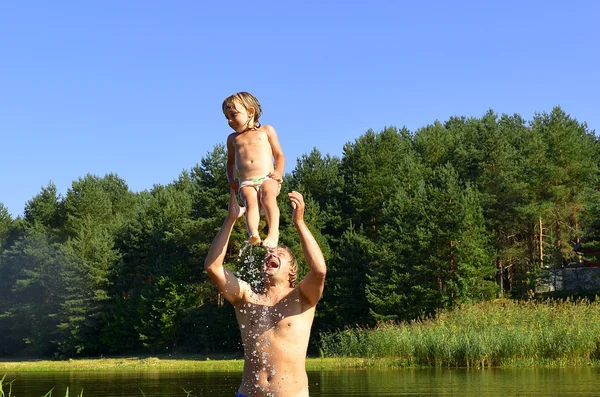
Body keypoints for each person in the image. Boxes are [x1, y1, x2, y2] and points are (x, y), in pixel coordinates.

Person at [205, 189, 326, 397]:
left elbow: (319, 270)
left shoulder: (302, 297)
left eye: (280, 253)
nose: (271, 252)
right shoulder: (246, 296)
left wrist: (300, 222)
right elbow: (213, 267)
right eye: (269, 252)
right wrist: (230, 219)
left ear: (292, 270)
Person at [223, 92, 285, 249]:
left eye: (233, 115)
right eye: (227, 117)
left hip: (267, 177)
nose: (230, 121)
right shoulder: (233, 139)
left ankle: (273, 232)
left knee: (267, 197)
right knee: (250, 203)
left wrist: (278, 172)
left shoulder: (266, 131)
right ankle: (253, 234)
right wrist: (232, 180)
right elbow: (230, 163)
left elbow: (279, 155)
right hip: (246, 182)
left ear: (250, 112)